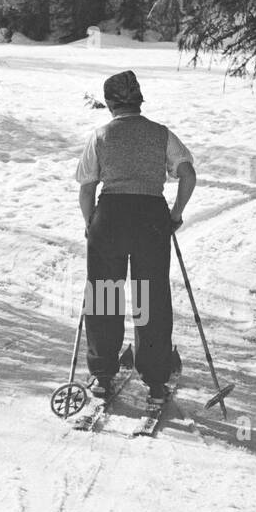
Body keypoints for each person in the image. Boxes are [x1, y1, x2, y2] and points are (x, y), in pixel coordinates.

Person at [73, 70, 197, 403]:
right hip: (151, 219)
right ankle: (156, 379)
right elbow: (188, 175)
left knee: (104, 295)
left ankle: (102, 375)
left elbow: (87, 189)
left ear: (110, 103)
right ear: (139, 101)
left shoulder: (100, 136)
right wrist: (175, 214)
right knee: (150, 298)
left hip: (109, 218)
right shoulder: (161, 134)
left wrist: (90, 223)